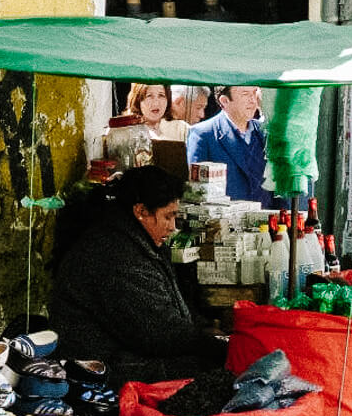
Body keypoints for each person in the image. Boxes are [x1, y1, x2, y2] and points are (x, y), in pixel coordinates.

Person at [49, 165, 227, 388]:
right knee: (212, 371)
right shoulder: (114, 256)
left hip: (128, 352)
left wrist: (206, 329)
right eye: (168, 217)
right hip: (101, 366)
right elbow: (158, 332)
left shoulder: (140, 240)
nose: (173, 227)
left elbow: (172, 307)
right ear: (141, 211)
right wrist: (216, 345)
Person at [186, 85, 276, 208]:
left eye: (254, 93)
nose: (253, 100)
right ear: (224, 101)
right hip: (224, 222)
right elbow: (199, 190)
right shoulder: (203, 134)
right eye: (245, 94)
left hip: (266, 222)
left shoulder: (265, 132)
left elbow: (277, 185)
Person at [122, 82, 190, 143]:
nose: (156, 103)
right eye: (149, 96)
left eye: (161, 95)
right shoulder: (126, 131)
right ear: (138, 100)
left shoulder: (181, 129)